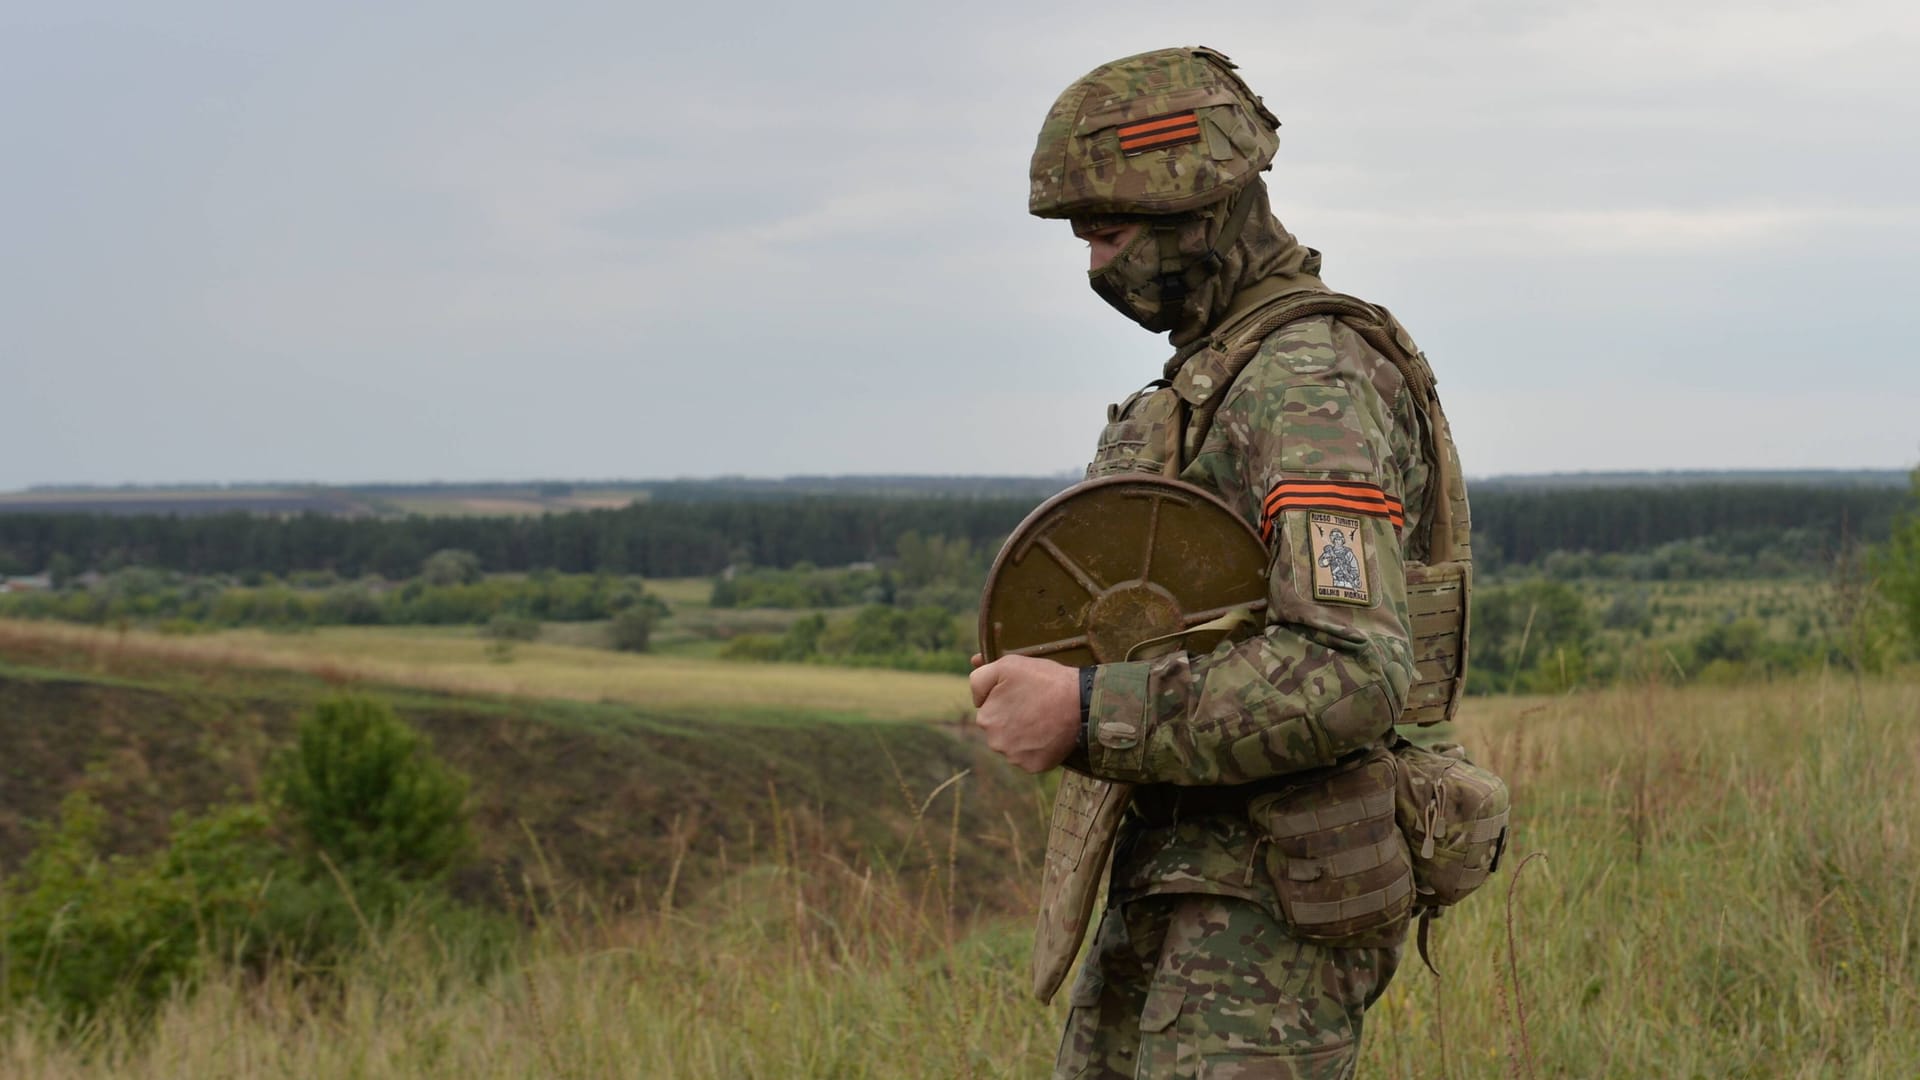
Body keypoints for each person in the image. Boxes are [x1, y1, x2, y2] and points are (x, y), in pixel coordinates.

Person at [970, 45, 1470, 1078]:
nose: (1096, 267)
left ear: (1190, 206)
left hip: (1266, 925)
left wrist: (1087, 708)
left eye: (1106, 233)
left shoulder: (1306, 381)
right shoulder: (1221, 377)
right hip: (1190, 887)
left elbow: (1352, 671)